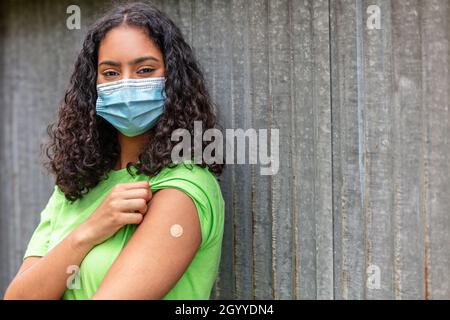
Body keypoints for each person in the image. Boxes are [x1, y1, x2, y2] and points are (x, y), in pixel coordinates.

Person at [4, 2, 225, 300]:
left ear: (173, 79)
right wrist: (90, 231)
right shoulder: (77, 183)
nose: (126, 85)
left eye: (144, 70)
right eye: (110, 72)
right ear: (92, 85)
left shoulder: (182, 188)